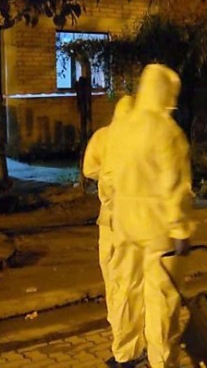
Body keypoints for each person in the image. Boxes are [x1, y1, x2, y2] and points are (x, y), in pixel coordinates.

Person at [100, 64, 194, 368]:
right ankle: (161, 362)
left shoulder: (121, 127)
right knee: (161, 302)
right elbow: (175, 187)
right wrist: (181, 231)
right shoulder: (168, 132)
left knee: (125, 290)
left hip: (124, 225)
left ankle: (125, 355)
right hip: (159, 230)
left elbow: (108, 176)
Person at [81, 95, 134, 341]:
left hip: (109, 220)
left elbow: (89, 169)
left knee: (112, 278)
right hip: (132, 222)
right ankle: (128, 337)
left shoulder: (102, 137)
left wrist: (107, 175)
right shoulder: (140, 142)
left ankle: (120, 332)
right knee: (129, 281)